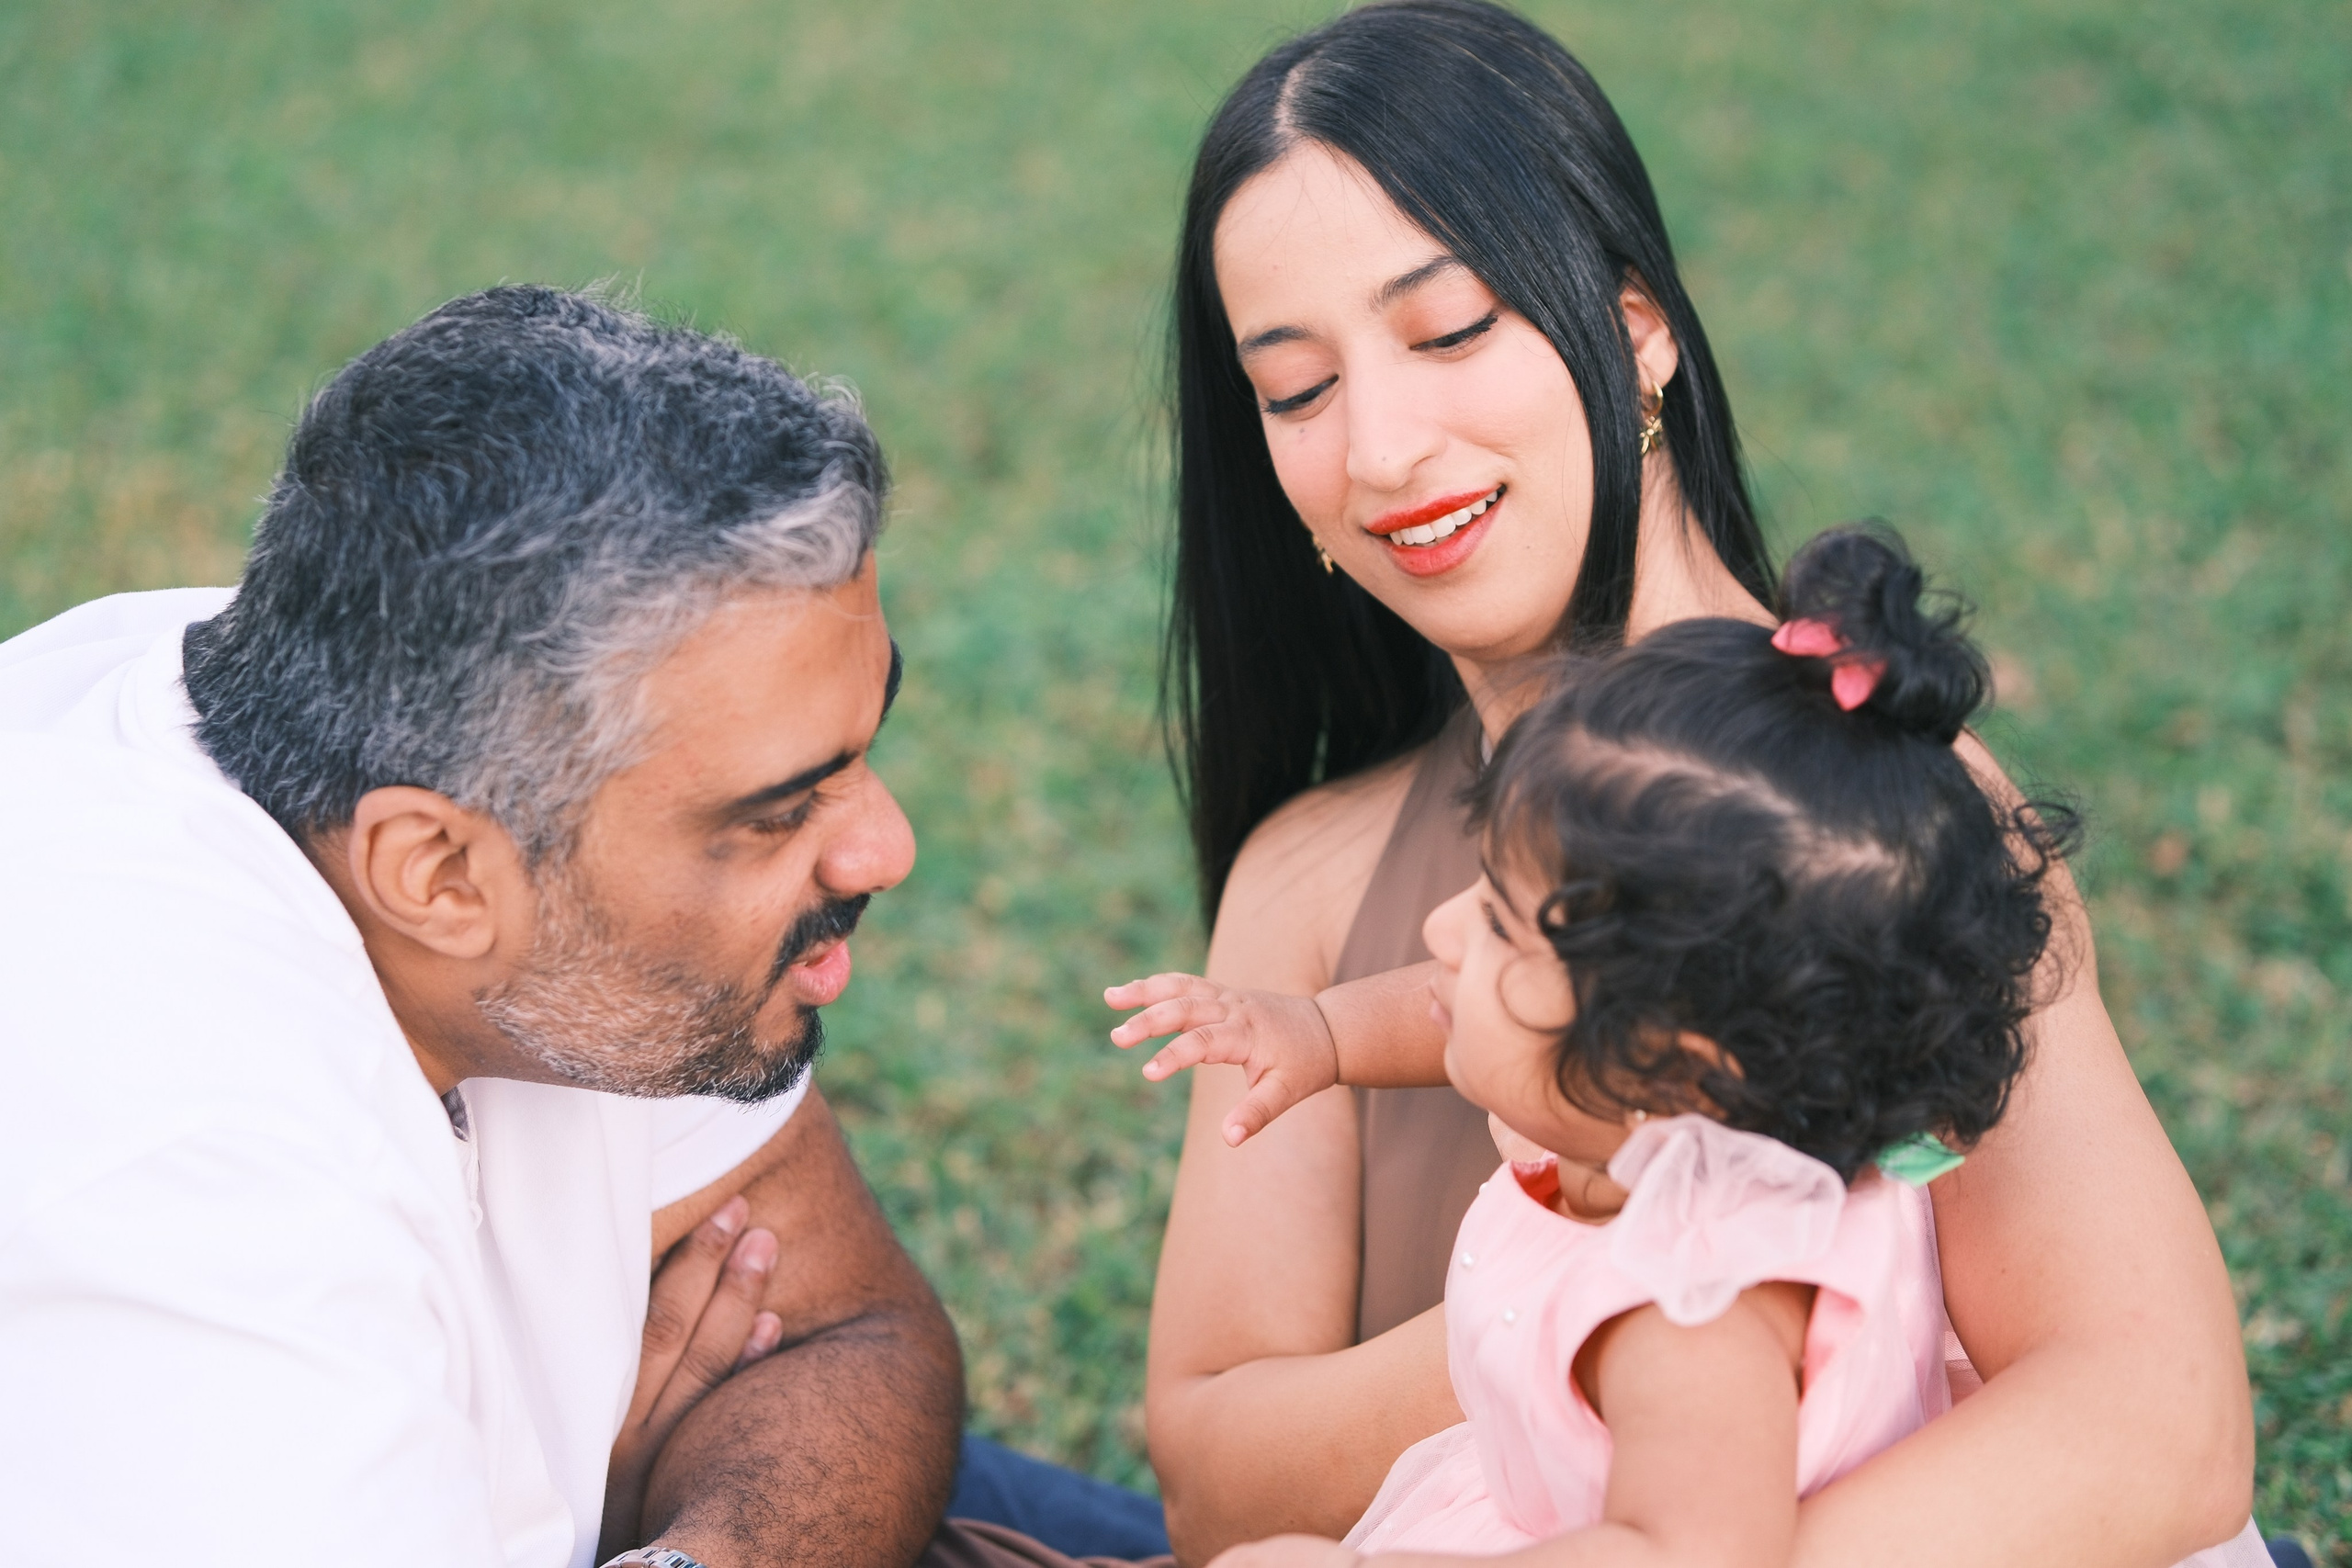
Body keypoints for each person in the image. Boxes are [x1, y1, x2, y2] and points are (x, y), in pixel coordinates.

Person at [1142, 3, 2258, 1564]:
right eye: (1297, 386)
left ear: (1641, 326)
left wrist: (1700, 1340)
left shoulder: (1857, 814)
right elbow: (1212, 1484)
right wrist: (1591, 1269)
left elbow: (2159, 1428)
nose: (1383, 445)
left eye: (1451, 326)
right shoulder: (1311, 882)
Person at [0, 285, 1159, 1568]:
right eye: (775, 814)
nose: (888, 845)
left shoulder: (450, 739)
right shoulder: (178, 1196)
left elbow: (857, 1327)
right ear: (438, 871)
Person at [1120, 526, 2267, 1567]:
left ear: (1671, 1062)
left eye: (1500, 922)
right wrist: (1315, 1029)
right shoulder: (1655, 1105)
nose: (1441, 930)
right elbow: (1441, 1003)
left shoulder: (1693, 1303)